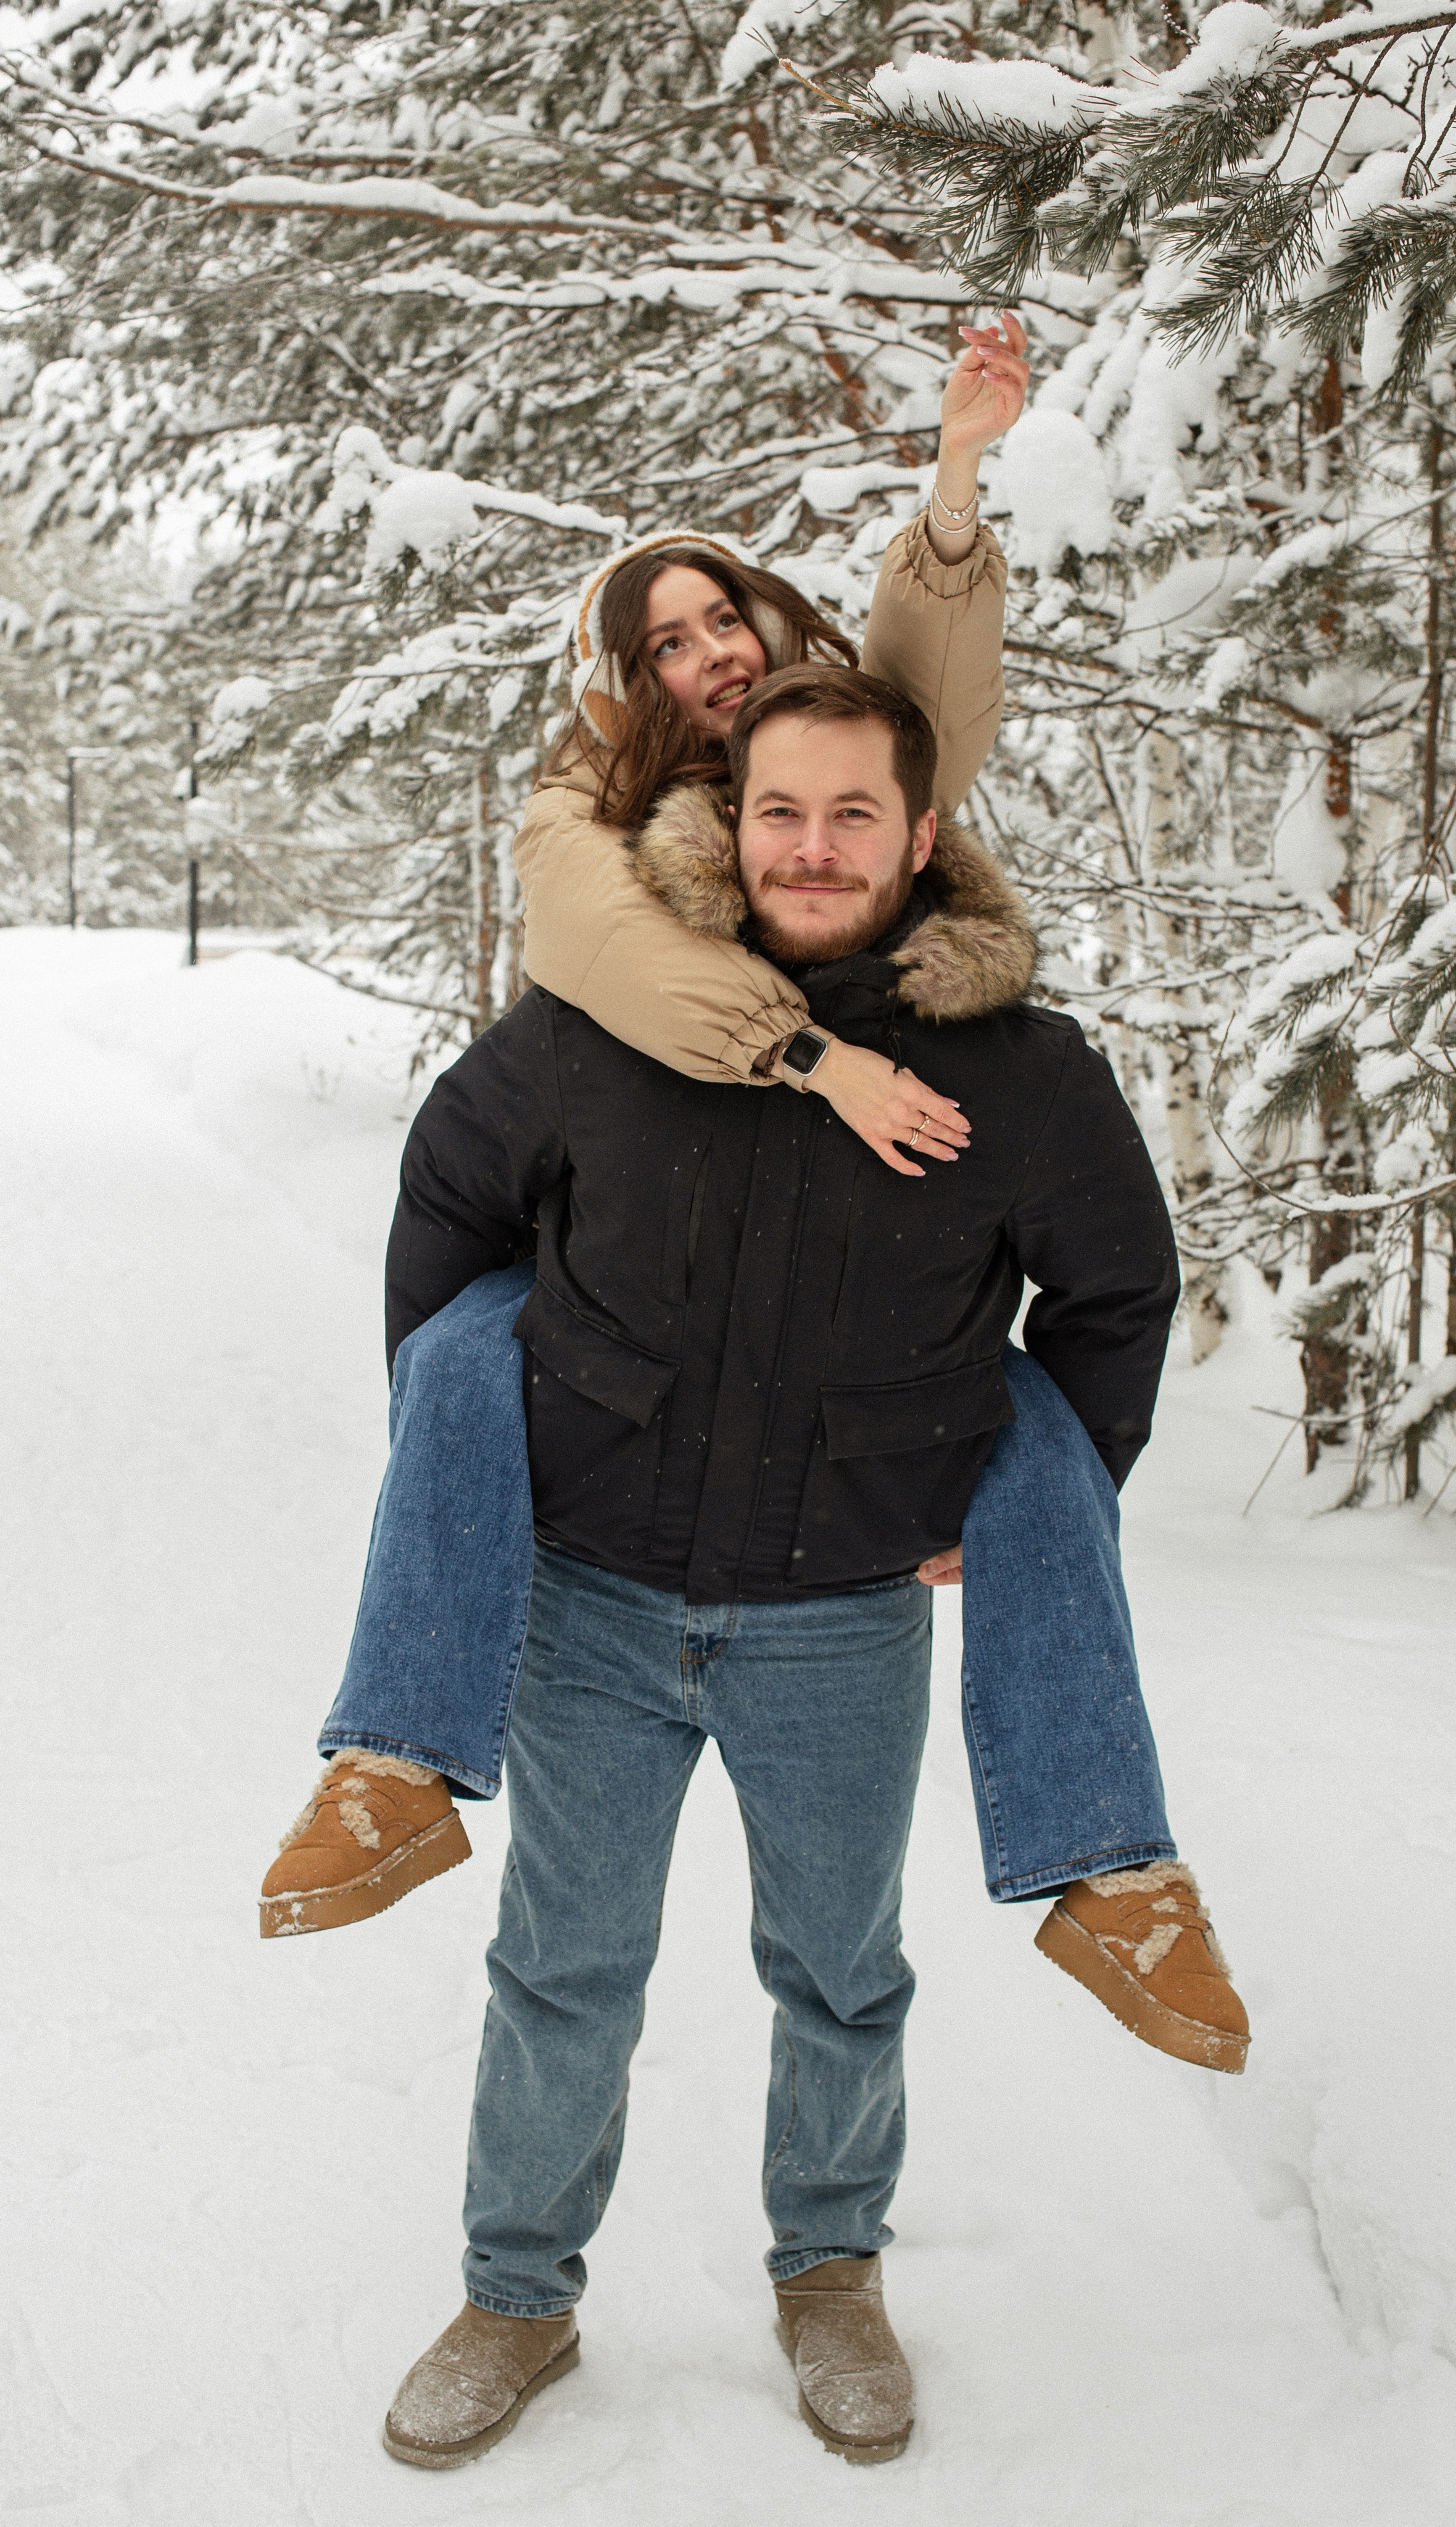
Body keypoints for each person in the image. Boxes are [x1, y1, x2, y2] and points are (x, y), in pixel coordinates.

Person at [263, 318, 1235, 2050]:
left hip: (855, 1298)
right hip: (660, 1138)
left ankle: (1115, 1867)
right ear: (629, 690)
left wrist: (955, 477)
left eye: (727, 618)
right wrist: (814, 1057)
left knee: (1032, 1442)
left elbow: (931, 686)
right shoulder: (593, 806)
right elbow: (578, 984)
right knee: (470, 1355)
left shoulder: (841, 751)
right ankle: (394, 1755)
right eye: (668, 641)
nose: (709, 655)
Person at [342, 662, 1249, 2470]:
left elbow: (1117, 1294)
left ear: (922, 835)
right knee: (562, 1966)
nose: (812, 847)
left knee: (839, 1970)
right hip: (591, 1594)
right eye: (780, 809)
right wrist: (474, 1446)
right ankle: (518, 2294)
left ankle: (830, 2273)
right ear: (724, 819)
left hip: (840, 1613)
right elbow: (450, 1200)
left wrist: (987, 1502)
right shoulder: (607, 1021)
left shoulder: (1021, 1070)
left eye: (853, 814)